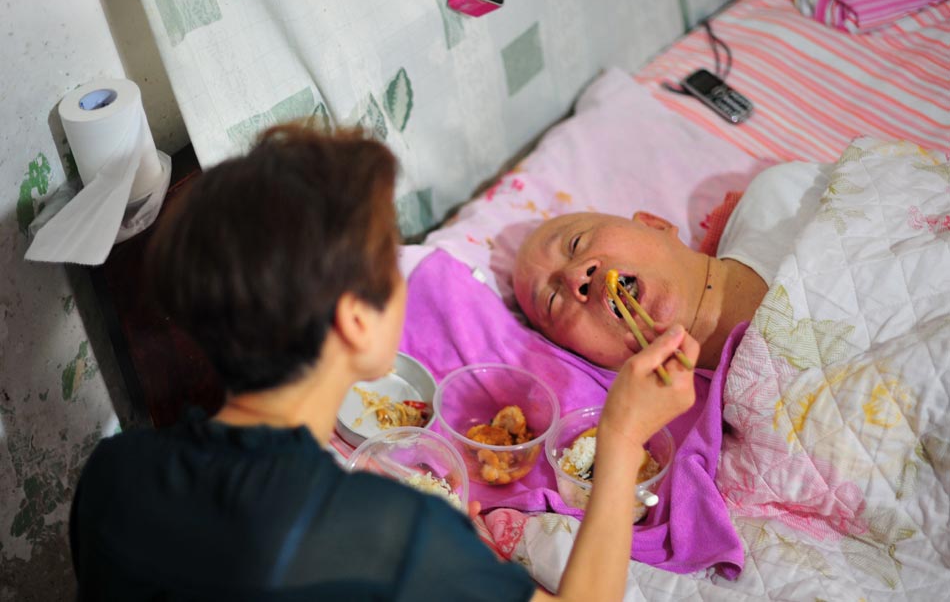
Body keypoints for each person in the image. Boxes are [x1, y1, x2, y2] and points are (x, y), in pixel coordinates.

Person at [69, 123, 698, 601]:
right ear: (356, 321)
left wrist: (451, 565)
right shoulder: (395, 535)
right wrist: (620, 440)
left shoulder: (110, 477)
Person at [512, 161, 828, 371]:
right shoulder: (700, 447)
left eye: (576, 243)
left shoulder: (783, 195)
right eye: (552, 301)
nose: (574, 277)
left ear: (655, 223)